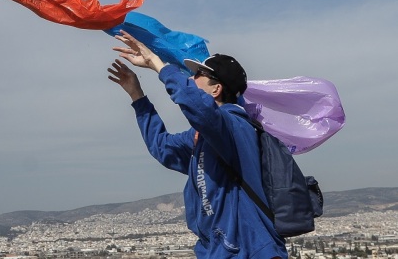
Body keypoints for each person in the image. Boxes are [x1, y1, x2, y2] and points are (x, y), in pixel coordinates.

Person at [107, 31, 287, 259]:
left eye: (198, 75)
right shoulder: (205, 135)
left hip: (249, 250)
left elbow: (198, 107)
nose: (190, 80)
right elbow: (163, 148)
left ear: (216, 89)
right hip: (219, 250)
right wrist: (137, 95)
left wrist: (157, 64)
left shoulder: (234, 127)